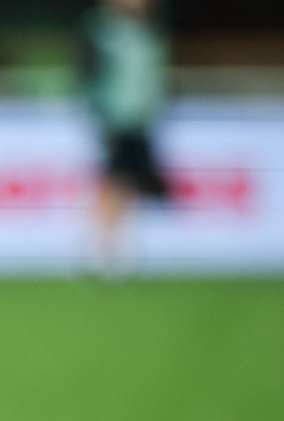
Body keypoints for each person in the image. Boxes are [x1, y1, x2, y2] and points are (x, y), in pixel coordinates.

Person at [79, 0, 169, 278]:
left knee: (131, 186)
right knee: (113, 183)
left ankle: (121, 252)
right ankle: (99, 253)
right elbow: (88, 72)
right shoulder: (101, 30)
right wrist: (102, 114)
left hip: (140, 121)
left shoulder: (147, 32)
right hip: (115, 118)